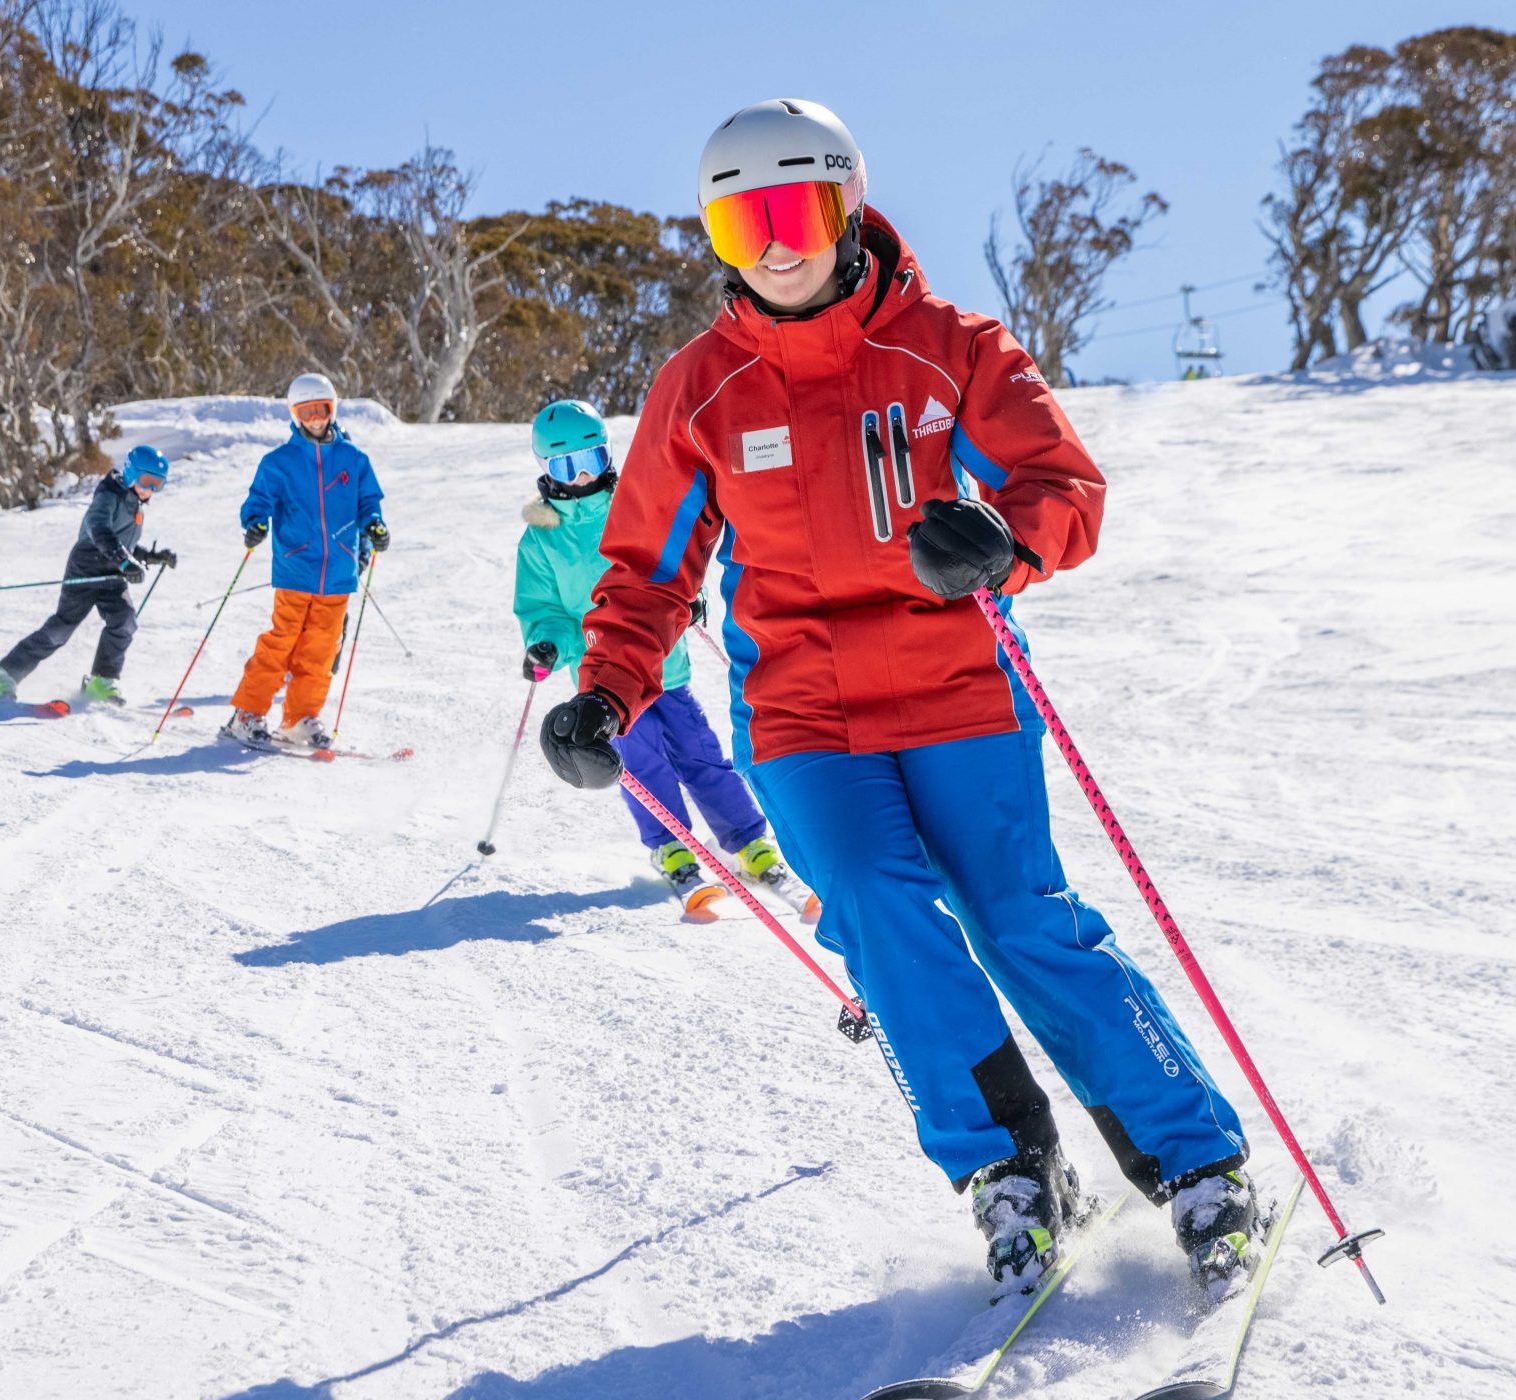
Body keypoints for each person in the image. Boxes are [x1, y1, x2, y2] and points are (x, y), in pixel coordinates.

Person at [536, 99, 1257, 1302]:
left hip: (958, 684)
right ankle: (1012, 1173)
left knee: (1019, 917)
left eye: (796, 210)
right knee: (877, 910)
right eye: (739, 219)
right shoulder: (698, 389)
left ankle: (1198, 1163)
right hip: (805, 715)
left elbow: (1062, 486)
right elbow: (646, 574)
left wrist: (1003, 542)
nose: (774, 243)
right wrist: (606, 690)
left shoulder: (952, 346)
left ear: (847, 204)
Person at [515, 400, 812, 921]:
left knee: (702, 756)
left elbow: (671, 559)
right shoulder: (541, 538)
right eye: (567, 466)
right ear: (546, 470)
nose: (583, 474)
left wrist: (684, 598)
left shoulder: (633, 505)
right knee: (642, 763)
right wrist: (547, 643)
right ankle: (671, 846)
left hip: (666, 667)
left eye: (593, 457)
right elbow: (544, 609)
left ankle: (750, 843)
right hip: (604, 683)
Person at [223, 374, 389, 751]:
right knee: (280, 644)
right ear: (295, 415)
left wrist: (375, 525)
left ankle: (299, 716)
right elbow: (258, 500)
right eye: (306, 411)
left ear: (332, 409)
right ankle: (246, 713)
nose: (315, 418)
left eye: (322, 410)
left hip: (339, 573)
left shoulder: (354, 459)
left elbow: (369, 503)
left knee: (320, 650)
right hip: (296, 568)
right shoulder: (279, 462)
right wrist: (255, 522)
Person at [0, 445, 176, 706]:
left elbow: (124, 544)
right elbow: (99, 530)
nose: (151, 490)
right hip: (87, 564)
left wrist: (150, 557)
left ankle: (102, 681)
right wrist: (124, 563)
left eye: (158, 485)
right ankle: (4, 678)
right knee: (61, 628)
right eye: (147, 482)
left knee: (125, 619)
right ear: (131, 474)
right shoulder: (108, 494)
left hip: (112, 573)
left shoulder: (135, 505)